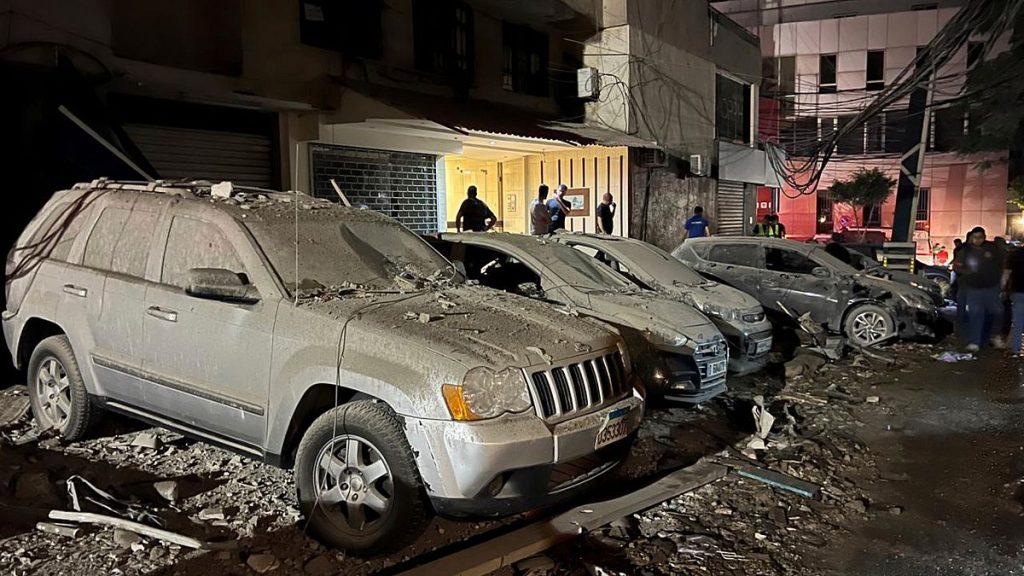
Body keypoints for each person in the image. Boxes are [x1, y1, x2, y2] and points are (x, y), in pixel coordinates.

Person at [953, 226, 1005, 352]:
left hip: (992, 287)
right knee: (976, 314)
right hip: (974, 288)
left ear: (984, 237)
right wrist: (967, 272)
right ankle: (974, 341)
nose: (977, 240)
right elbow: (957, 266)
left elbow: (1002, 264)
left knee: (997, 311)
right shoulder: (966, 250)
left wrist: (1001, 281)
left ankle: (994, 336)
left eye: (980, 237)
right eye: (975, 237)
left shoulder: (992, 248)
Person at [1006, 244, 1024, 356]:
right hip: (1018, 290)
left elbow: (1007, 272)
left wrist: (1002, 288)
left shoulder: (1016, 254)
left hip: (1018, 290)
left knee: (1018, 321)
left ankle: (1015, 348)